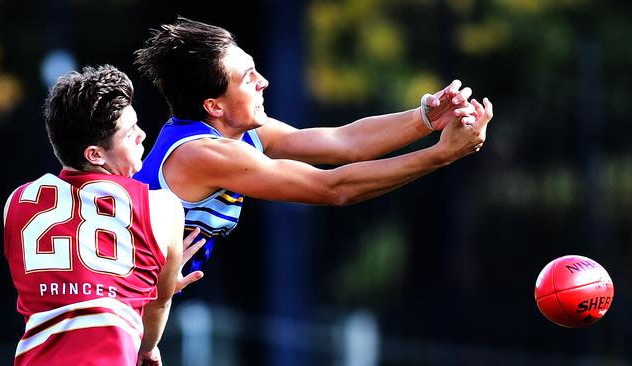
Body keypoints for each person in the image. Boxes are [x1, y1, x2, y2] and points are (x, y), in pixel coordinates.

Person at [133, 17, 493, 273]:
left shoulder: (237, 132)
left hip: (128, 303)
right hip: (115, 301)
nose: (264, 81)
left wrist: (425, 119)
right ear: (214, 106)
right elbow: (333, 188)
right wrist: (440, 155)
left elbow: (344, 141)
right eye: (247, 79)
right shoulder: (204, 153)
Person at [3, 65, 204, 366]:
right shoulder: (162, 208)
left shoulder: (16, 201)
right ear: (95, 154)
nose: (143, 135)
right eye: (130, 132)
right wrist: (148, 341)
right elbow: (157, 309)